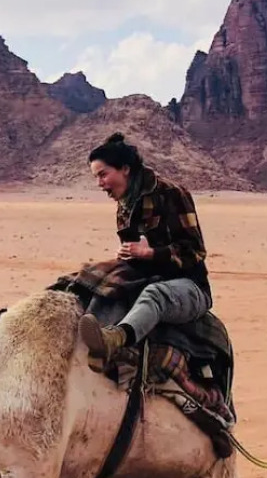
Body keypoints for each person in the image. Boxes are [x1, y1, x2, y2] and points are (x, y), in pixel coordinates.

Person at [78, 133, 212, 372]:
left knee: (155, 295)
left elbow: (195, 251)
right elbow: (137, 254)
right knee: (91, 278)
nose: (100, 184)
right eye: (96, 177)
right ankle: (5, 317)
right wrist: (128, 256)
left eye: (103, 174)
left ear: (125, 169)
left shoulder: (170, 193)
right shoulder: (125, 203)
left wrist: (152, 253)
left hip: (188, 285)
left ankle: (114, 340)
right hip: (144, 277)